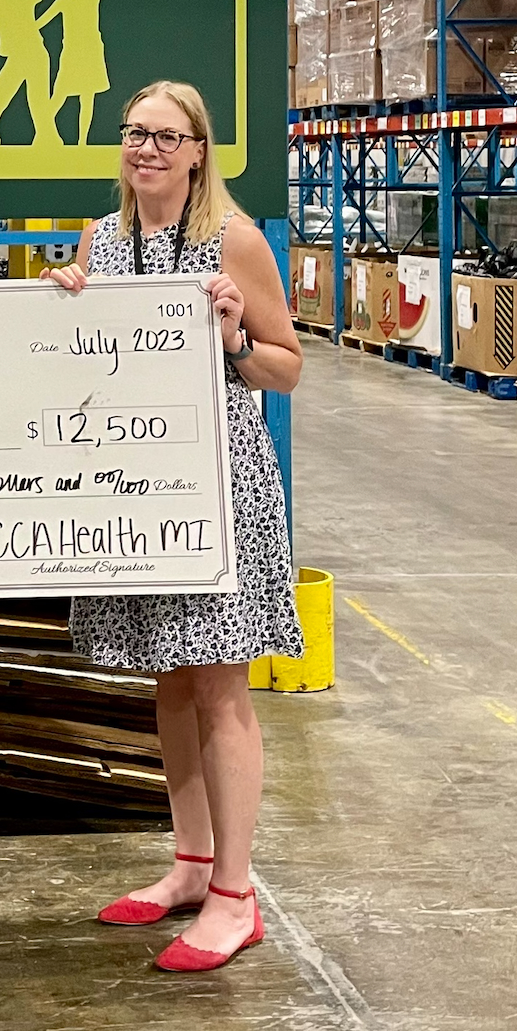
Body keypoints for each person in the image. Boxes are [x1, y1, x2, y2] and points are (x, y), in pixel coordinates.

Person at [41, 79, 303, 975]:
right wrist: (61, 304)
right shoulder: (101, 241)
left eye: (166, 136)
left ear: (199, 150)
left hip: (217, 487)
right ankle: (191, 863)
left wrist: (232, 336)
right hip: (135, 489)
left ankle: (237, 895)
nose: (146, 149)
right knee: (172, 679)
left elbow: (287, 368)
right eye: (134, 134)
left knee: (221, 686)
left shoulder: (233, 241)